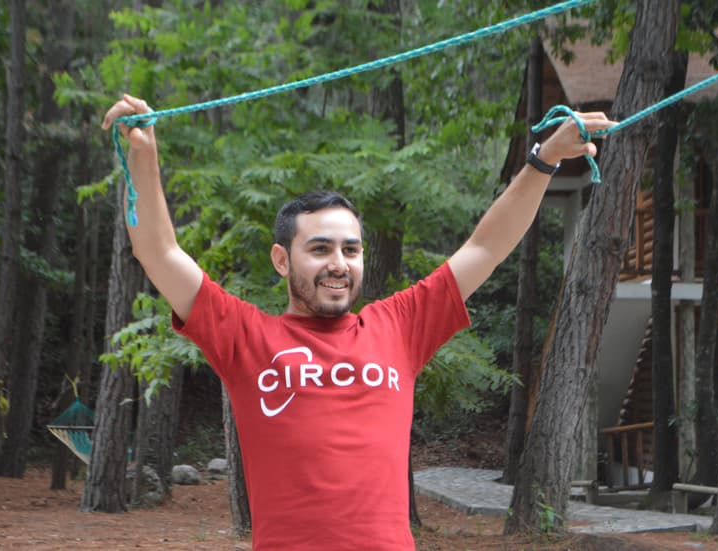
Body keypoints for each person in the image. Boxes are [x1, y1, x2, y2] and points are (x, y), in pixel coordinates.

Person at [102, 94, 614, 550]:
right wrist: (143, 159)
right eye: (320, 248)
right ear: (282, 260)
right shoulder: (247, 337)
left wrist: (543, 159)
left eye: (351, 249)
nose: (338, 264)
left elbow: (485, 246)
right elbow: (159, 250)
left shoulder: (398, 325)